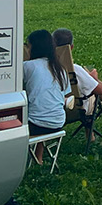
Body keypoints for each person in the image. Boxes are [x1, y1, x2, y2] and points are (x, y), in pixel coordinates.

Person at [23, 29, 69, 160]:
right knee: (41, 108)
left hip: (36, 125)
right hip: (58, 122)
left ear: (33, 47)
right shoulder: (60, 69)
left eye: (27, 45)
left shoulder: (28, 67)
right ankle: (39, 157)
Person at [52, 28, 102, 114]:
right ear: (71, 48)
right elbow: (100, 90)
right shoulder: (74, 69)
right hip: (77, 109)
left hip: (53, 109)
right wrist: (94, 78)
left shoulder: (45, 67)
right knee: (92, 87)